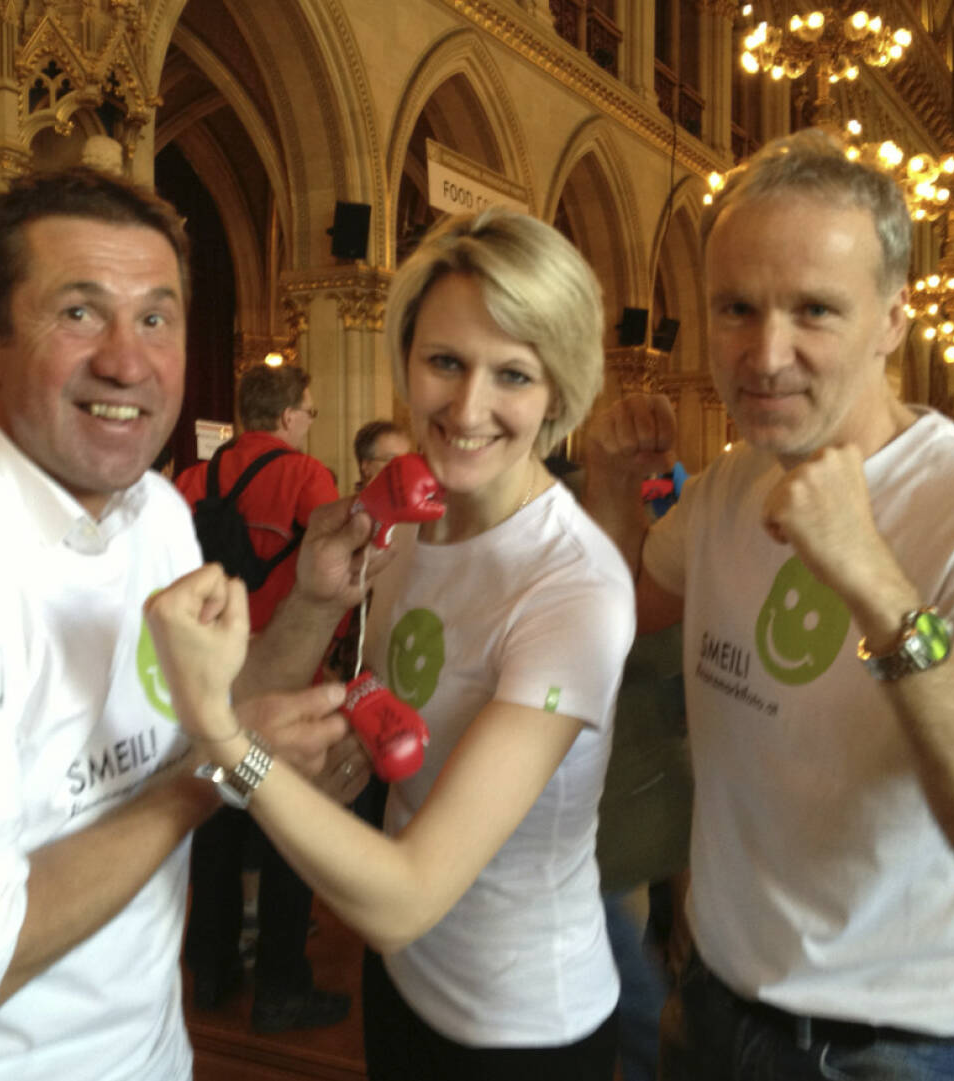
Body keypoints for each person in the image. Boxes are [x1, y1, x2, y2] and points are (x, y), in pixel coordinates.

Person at [0, 166, 365, 1081]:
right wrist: (220, 778)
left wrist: (318, 600)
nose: (128, 360)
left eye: (157, 317)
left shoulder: (153, 511)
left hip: (145, 1053)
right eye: (79, 313)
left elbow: (210, 713)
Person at [584, 129, 954, 1080]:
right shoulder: (726, 489)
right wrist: (611, 492)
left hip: (893, 1053)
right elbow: (607, 627)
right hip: (712, 1010)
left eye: (814, 309)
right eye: (736, 308)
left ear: (893, 318)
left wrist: (877, 583)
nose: (764, 353)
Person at [146, 207, 636, 1080]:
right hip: (405, 983)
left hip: (522, 1026)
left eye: (513, 374)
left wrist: (233, 752)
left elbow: (407, 895)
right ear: (406, 362)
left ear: (558, 392)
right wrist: (306, 597)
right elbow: (282, 687)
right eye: (445, 361)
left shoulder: (573, 588)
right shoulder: (409, 527)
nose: (469, 405)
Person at [175, 362, 350, 1033]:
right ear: (285, 417)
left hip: (216, 684)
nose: (310, 422)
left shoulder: (195, 478)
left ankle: (211, 969)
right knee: (286, 833)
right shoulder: (308, 477)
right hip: (289, 684)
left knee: (217, 825)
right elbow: (331, 577)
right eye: (308, 411)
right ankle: (281, 983)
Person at [353, 418, 410, 490]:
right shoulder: (351, 501)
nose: (403, 468)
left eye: (406, 460)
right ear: (367, 466)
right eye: (393, 460)